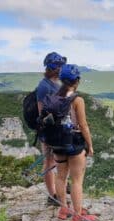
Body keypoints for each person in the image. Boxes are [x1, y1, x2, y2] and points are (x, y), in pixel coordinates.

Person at [53, 64, 96, 221]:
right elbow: (83, 125)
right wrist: (89, 145)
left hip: (57, 143)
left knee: (61, 176)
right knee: (77, 180)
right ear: (76, 81)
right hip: (74, 143)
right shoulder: (77, 100)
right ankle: (78, 216)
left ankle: (64, 209)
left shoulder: (54, 97)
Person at [37, 52, 67, 205]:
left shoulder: (56, 83)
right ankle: (52, 195)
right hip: (48, 130)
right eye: (58, 65)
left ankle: (58, 188)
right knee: (49, 161)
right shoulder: (44, 86)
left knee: (55, 160)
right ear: (51, 67)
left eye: (62, 65)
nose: (60, 68)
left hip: (56, 128)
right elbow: (41, 112)